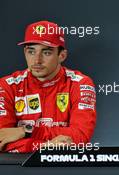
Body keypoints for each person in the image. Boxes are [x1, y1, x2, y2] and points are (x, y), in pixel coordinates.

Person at [0, 21, 96, 152]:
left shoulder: (80, 84)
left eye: (46, 52)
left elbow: (80, 136)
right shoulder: (6, 86)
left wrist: (27, 131)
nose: (37, 60)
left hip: (64, 170)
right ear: (25, 52)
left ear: (62, 55)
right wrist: (45, 147)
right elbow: (3, 140)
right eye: (31, 52)